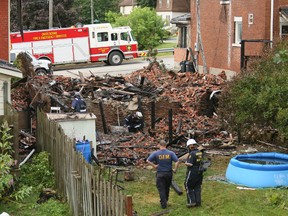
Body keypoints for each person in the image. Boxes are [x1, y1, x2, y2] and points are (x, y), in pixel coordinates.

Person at [146, 140, 179, 209]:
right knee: (167, 188)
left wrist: (154, 166)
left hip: (160, 173)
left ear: (159, 145)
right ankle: (166, 200)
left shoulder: (156, 153)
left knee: (161, 189)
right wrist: (175, 169)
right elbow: (177, 161)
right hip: (169, 173)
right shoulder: (171, 153)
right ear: (166, 145)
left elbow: (148, 160)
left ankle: (163, 204)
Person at [184, 138, 204, 208]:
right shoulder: (199, 152)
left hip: (192, 171)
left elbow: (190, 164)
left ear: (190, 146)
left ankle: (191, 202)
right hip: (199, 171)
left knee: (188, 185)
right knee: (197, 186)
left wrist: (185, 163)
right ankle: (198, 202)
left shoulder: (192, 153)